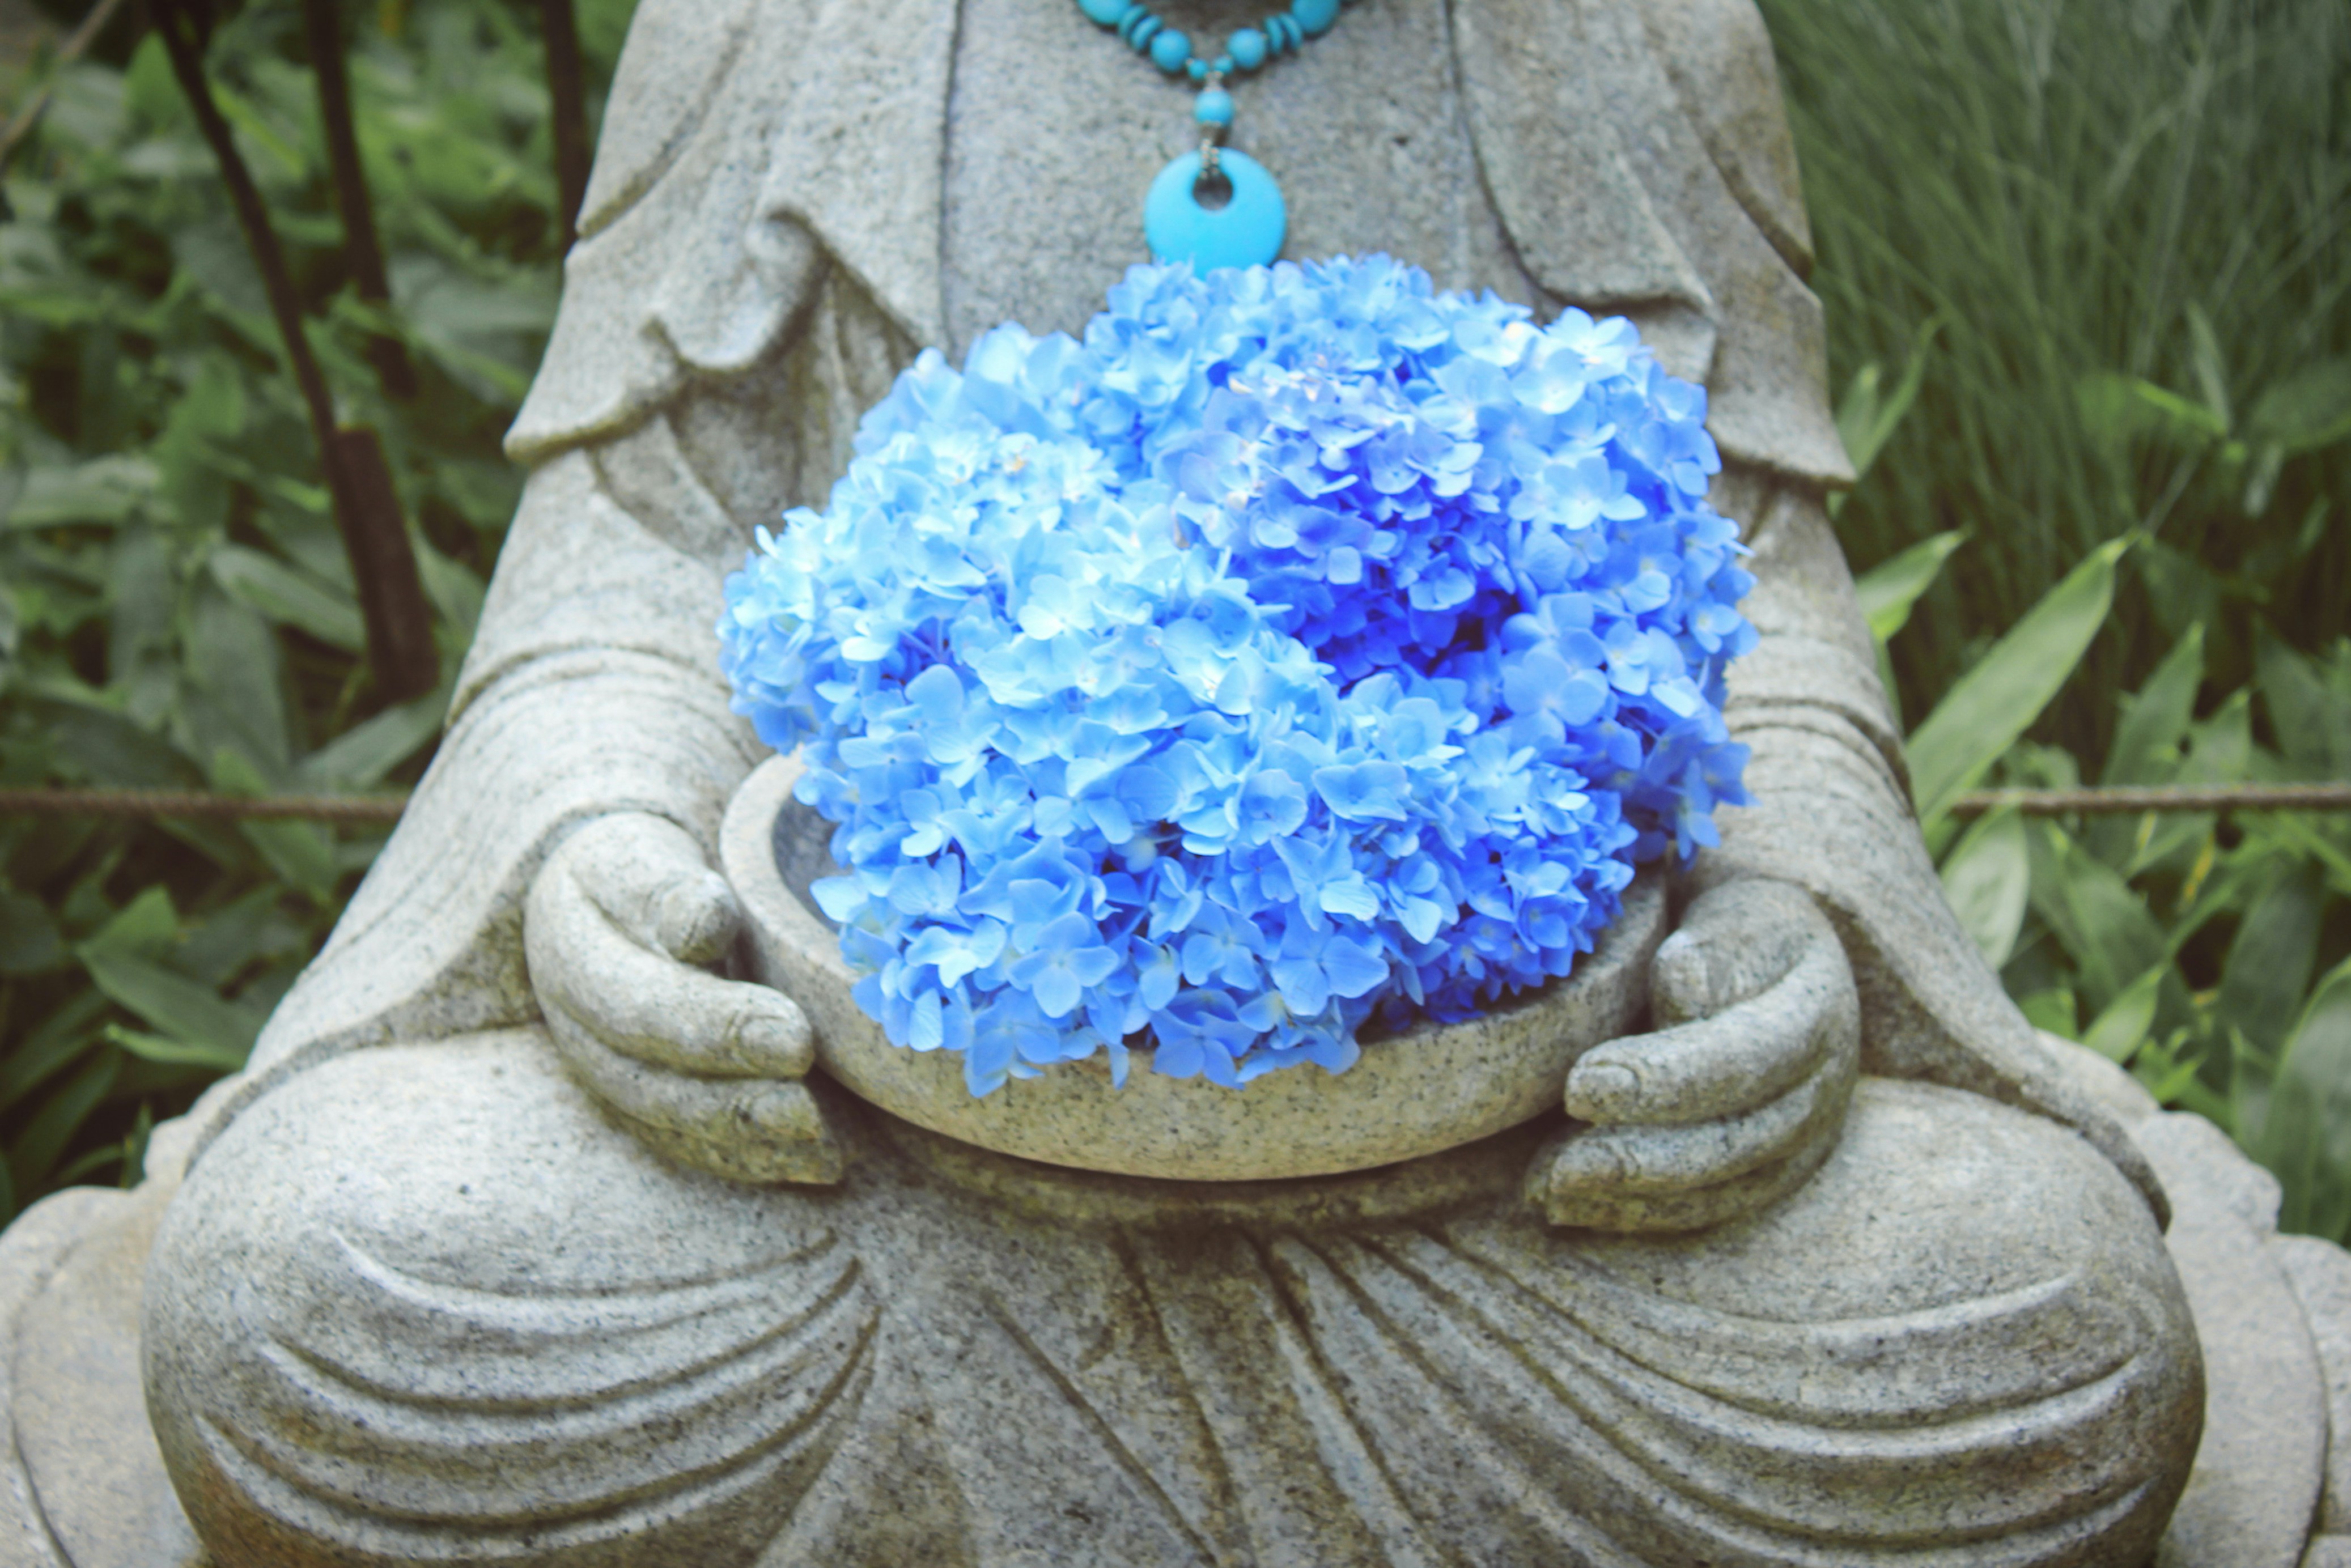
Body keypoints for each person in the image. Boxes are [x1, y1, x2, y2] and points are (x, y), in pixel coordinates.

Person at [135, 0, 2203, 1561]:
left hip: (1509, 1173)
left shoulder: (1628, 29)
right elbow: (646, 546)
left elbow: (1741, 580)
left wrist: (1772, 910)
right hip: (875, 1150)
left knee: (2047, 1340)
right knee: (314, 1290)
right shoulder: (780, 24)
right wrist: (599, 841)